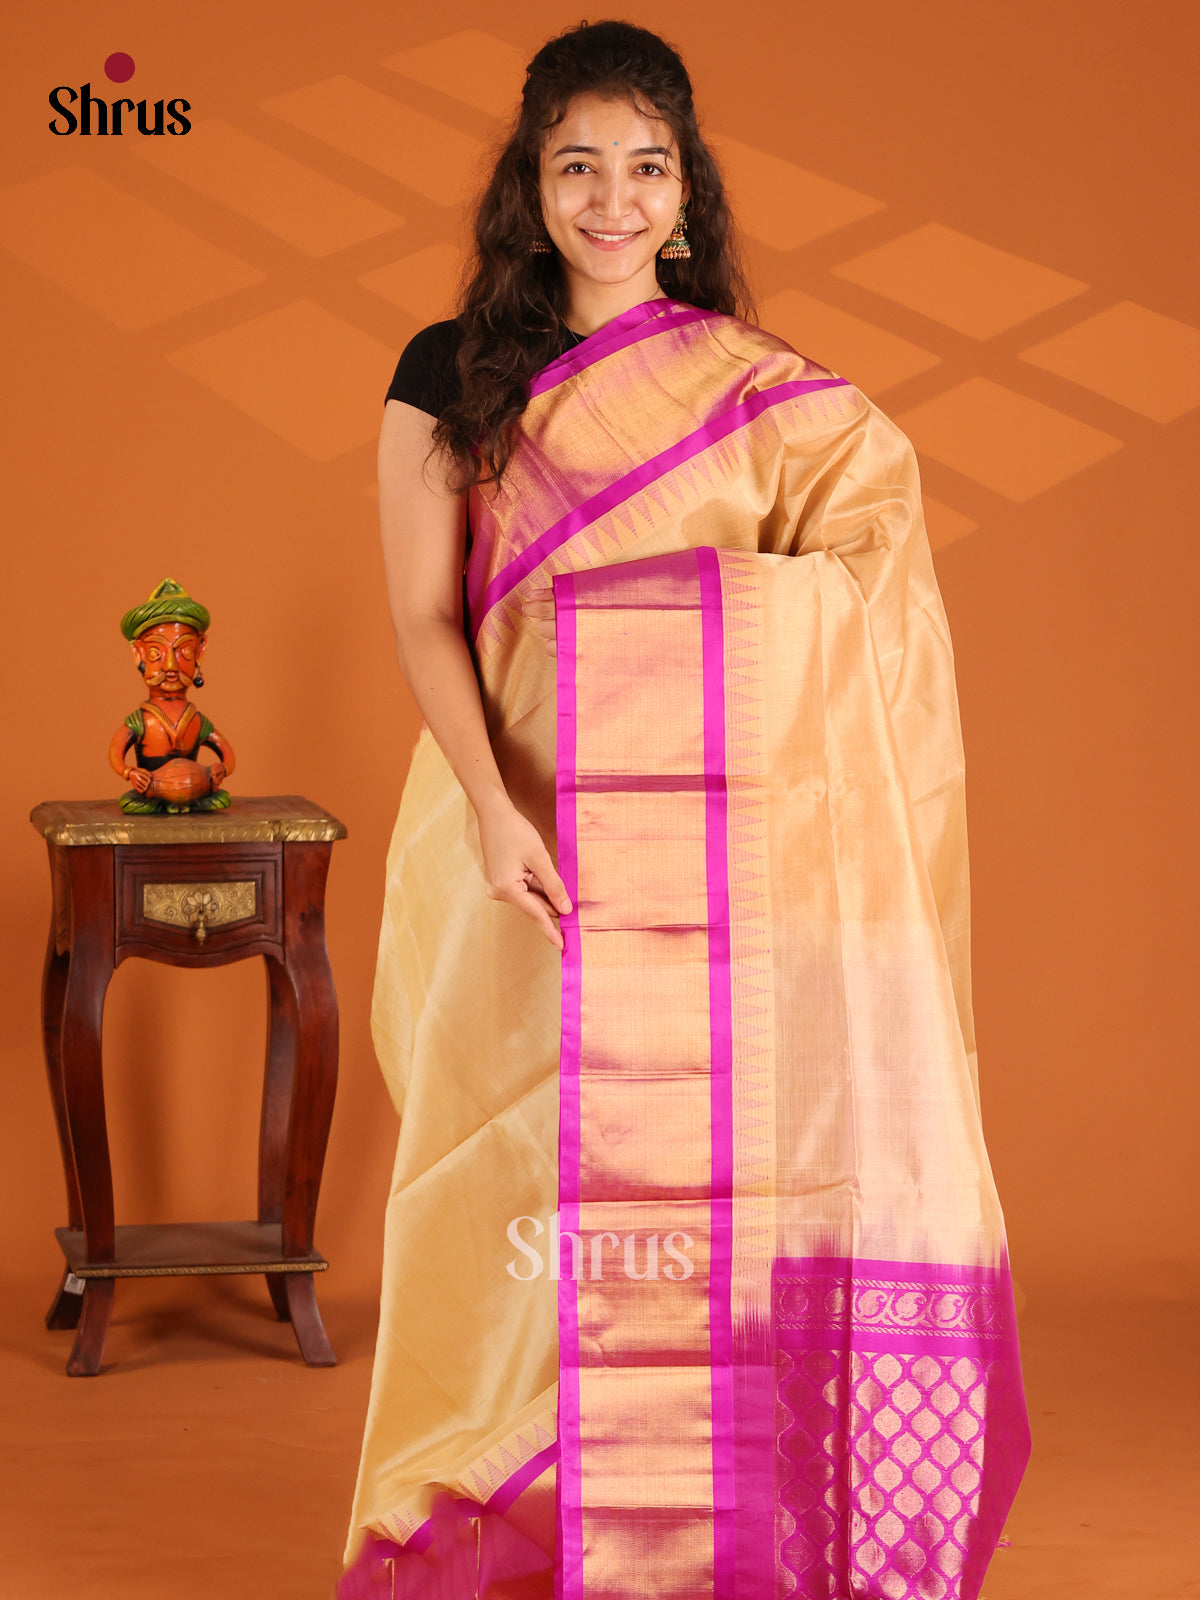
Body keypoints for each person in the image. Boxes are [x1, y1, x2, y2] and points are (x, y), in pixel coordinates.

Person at [340, 20, 1030, 1600]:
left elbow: (868, 579)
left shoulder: (752, 387)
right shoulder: (449, 371)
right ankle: (528, 1522)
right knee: (528, 1185)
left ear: (688, 191)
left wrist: (711, 616)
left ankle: (694, 1533)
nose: (613, 200)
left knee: (710, 1182)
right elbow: (427, 619)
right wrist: (496, 810)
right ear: (531, 184)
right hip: (518, 839)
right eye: (578, 166)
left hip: (719, 863)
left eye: (646, 168)